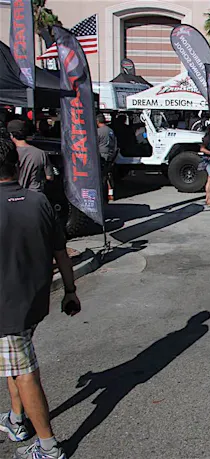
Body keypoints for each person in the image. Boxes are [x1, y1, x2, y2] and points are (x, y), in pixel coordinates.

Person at [0, 138, 81, 459]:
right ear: (17, 164)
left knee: (24, 371)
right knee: (15, 362)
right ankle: (16, 419)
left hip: (6, 309)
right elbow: (60, 252)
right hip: (33, 301)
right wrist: (70, 291)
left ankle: (49, 447)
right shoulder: (39, 201)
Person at [7, 120, 53, 193]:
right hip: (34, 193)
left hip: (14, 192)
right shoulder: (40, 153)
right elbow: (49, 177)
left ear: (11, 135)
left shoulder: (8, 153)